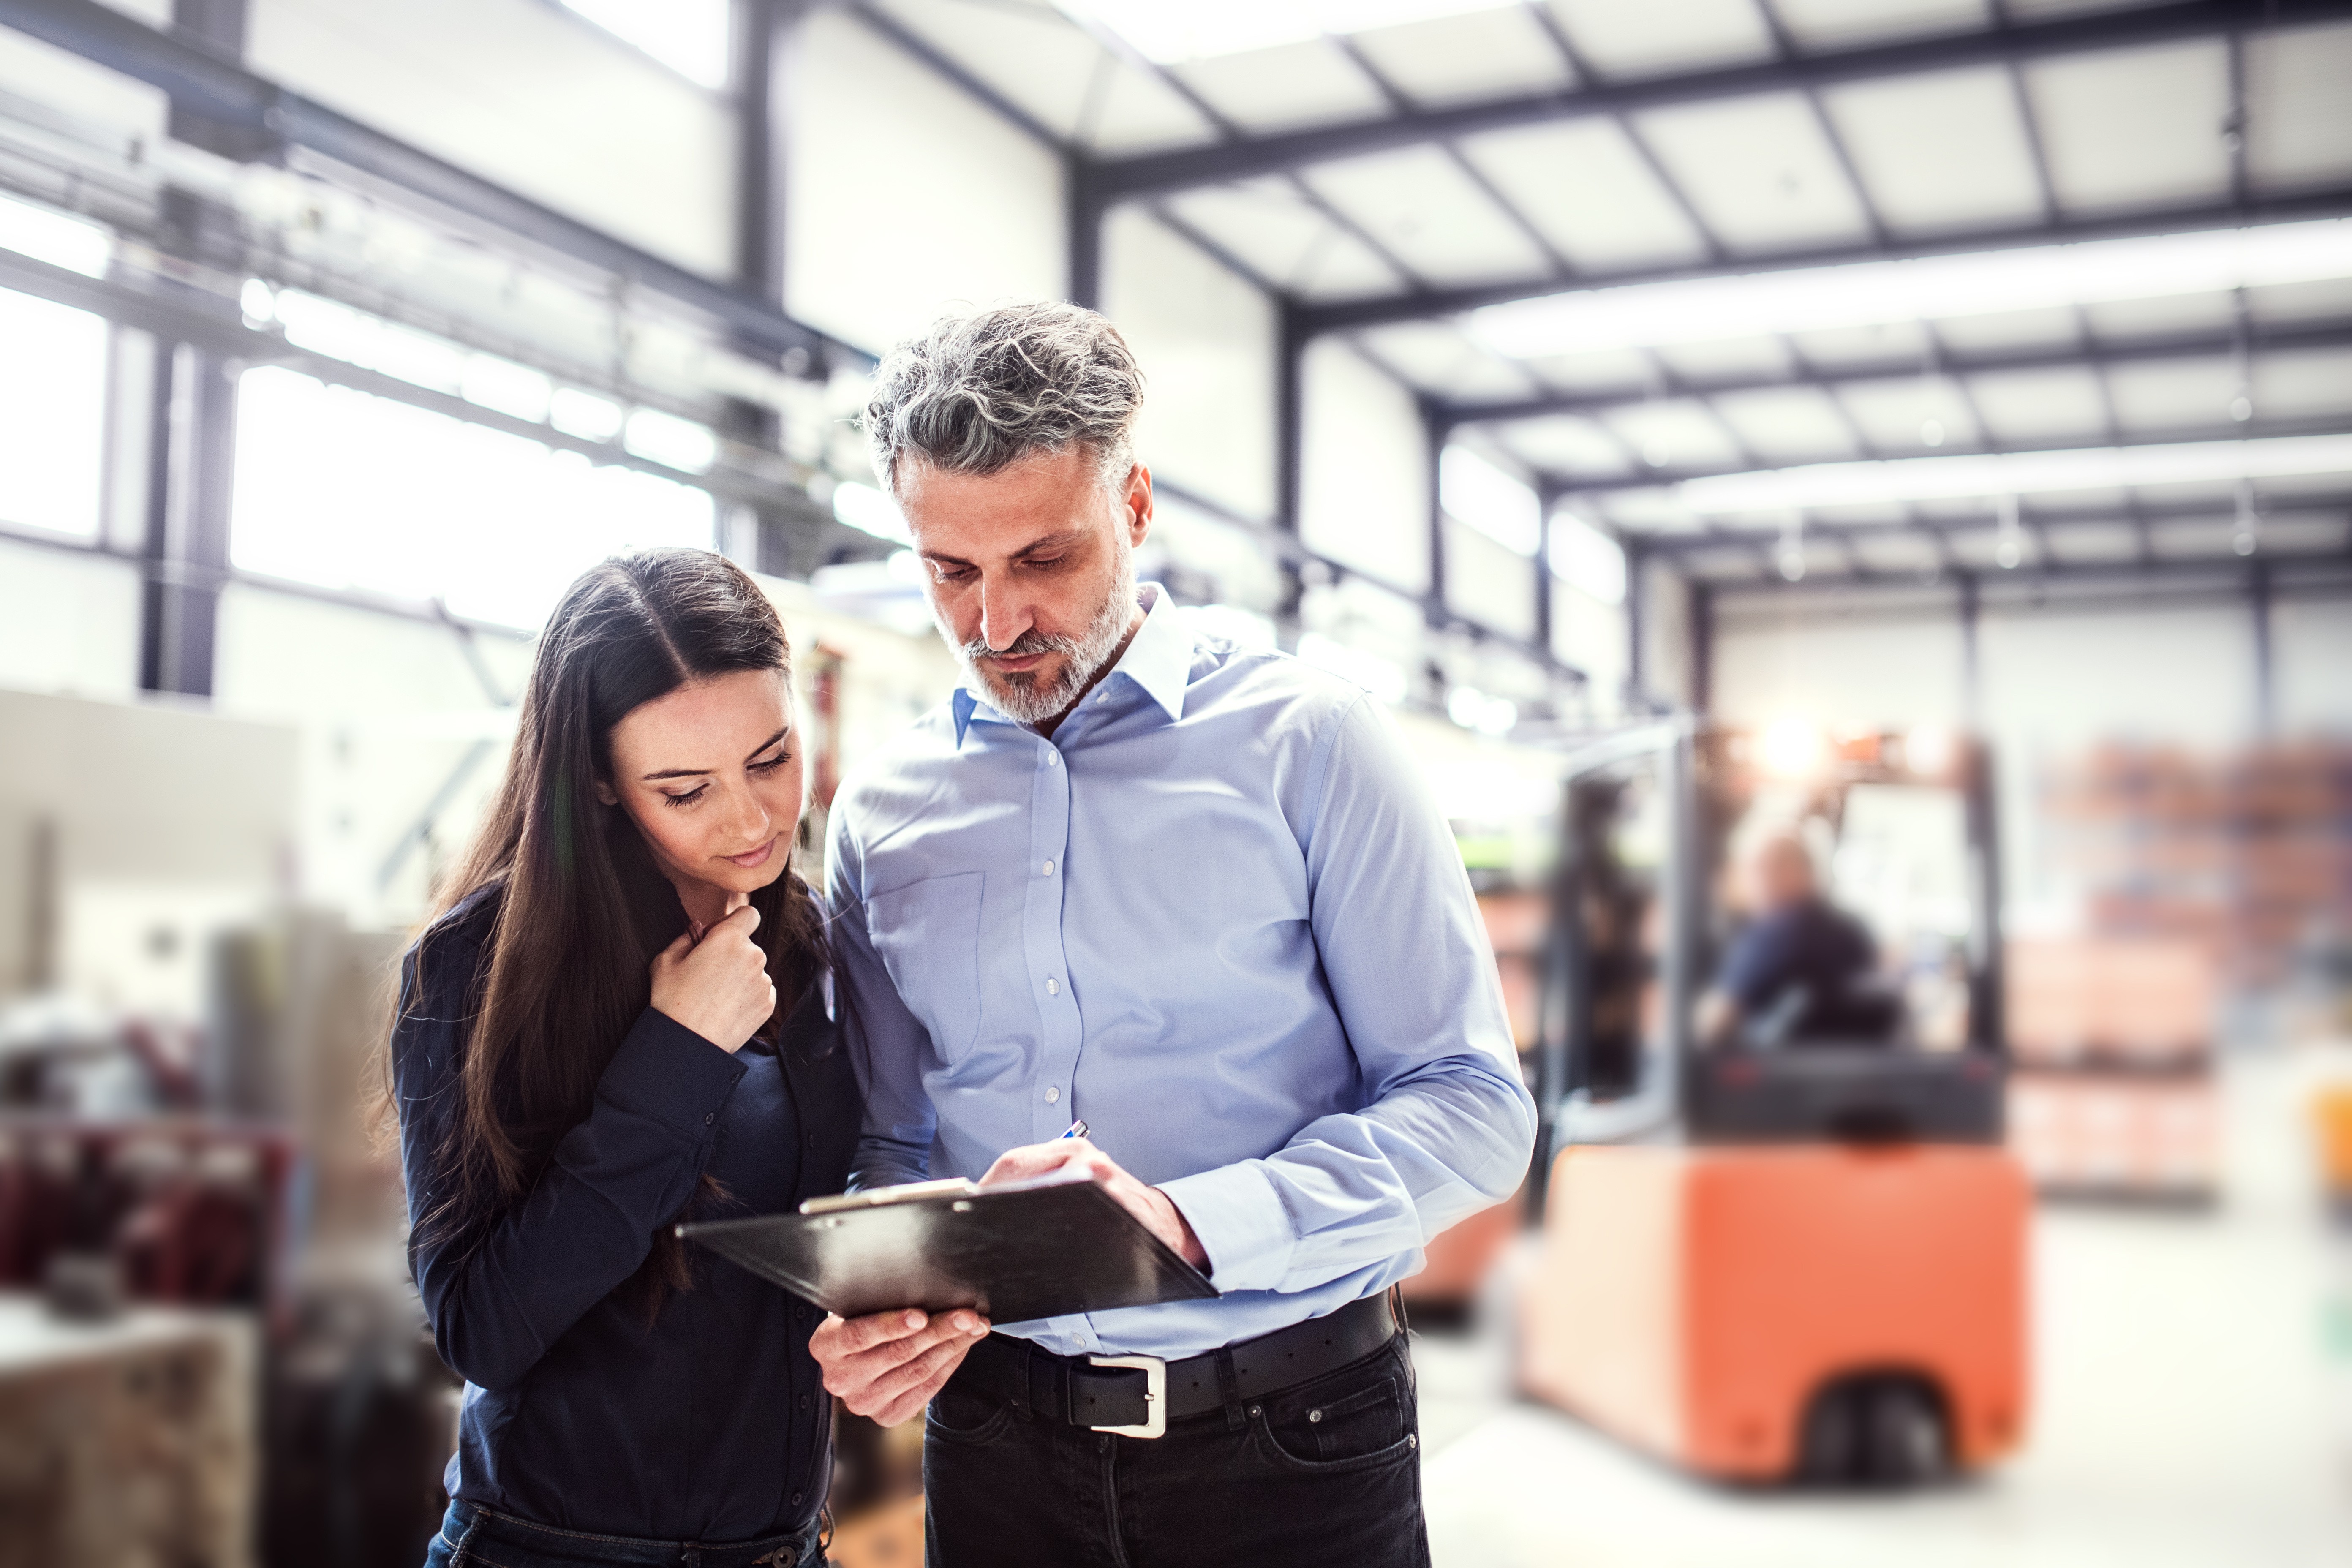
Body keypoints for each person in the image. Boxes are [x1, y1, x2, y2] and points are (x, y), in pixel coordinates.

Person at [812, 302, 1537, 1567]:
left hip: (1290, 1441)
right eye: (950, 571)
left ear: (1134, 506)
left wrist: (1187, 1222)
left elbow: (1473, 1105)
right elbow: (889, 1139)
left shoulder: (1308, 743)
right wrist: (882, 1296)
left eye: (1043, 557)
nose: (995, 625)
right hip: (993, 1451)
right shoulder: (881, 815)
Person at [383, 549, 855, 1568]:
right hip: (544, 1550)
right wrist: (674, 1055)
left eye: (771, 758)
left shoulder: (811, 941)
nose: (750, 819)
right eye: (686, 790)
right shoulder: (475, 969)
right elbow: (482, 1329)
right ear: (597, 778)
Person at [1697, 829, 1884, 1048]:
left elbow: (1711, 1025)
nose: (1746, 883)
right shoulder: (1852, 930)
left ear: (1791, 871)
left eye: (1754, 869)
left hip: (1774, 1077)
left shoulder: (1777, 932)